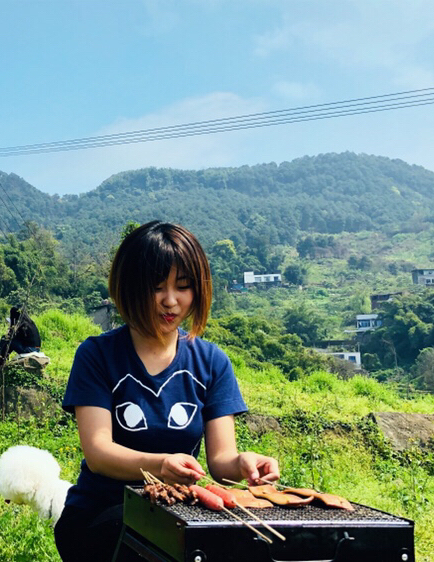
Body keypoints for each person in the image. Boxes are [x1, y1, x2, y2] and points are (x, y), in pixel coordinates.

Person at [53, 221, 280, 562]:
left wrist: (245, 464)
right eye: (157, 287)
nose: (171, 301)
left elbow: (220, 461)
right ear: (129, 287)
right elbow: (98, 454)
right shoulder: (97, 355)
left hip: (173, 516)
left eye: (184, 287)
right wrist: (161, 465)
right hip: (102, 514)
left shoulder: (212, 363)